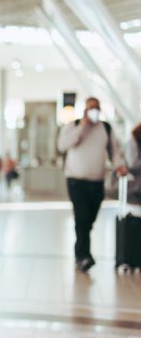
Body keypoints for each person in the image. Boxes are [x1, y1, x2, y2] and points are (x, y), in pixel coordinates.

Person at [58, 97, 127, 272]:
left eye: (97, 107)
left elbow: (114, 150)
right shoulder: (73, 126)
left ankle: (80, 250)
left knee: (89, 220)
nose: (94, 111)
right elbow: (63, 145)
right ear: (84, 110)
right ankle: (84, 256)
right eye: (91, 108)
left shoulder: (105, 128)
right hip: (76, 181)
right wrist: (82, 127)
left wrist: (119, 166)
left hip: (96, 182)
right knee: (82, 218)